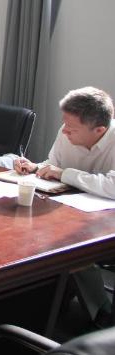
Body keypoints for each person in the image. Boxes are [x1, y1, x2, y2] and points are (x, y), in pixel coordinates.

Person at [13, 86, 115, 326]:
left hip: (106, 218)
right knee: (28, 234)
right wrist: (36, 167)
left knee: (70, 248)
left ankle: (100, 313)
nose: (64, 131)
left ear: (100, 130)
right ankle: (41, 306)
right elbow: (54, 164)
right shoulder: (65, 131)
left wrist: (64, 174)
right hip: (70, 207)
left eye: (72, 129)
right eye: (64, 124)